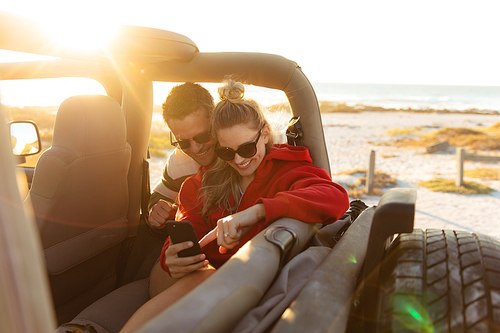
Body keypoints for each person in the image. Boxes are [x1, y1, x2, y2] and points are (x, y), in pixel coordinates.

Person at [120, 79, 349, 332]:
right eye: (227, 152)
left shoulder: (285, 171)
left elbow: (334, 196)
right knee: (203, 278)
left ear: (264, 134)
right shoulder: (199, 183)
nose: (239, 159)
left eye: (247, 148)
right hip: (214, 283)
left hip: (256, 285)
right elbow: (188, 223)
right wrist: (171, 255)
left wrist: (256, 212)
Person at [147, 82, 217, 229]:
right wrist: (158, 210)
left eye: (203, 136)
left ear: (215, 118)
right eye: (183, 142)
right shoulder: (178, 161)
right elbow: (159, 195)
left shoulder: (239, 152)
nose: (196, 149)